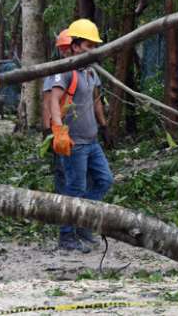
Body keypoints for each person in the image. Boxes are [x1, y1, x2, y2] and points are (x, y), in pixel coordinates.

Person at [49, 19, 112, 253]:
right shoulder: (65, 71)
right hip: (74, 142)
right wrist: (58, 130)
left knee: (104, 180)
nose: (93, 50)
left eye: (95, 46)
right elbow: (54, 100)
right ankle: (66, 235)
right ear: (75, 46)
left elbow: (96, 101)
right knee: (74, 188)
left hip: (92, 141)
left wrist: (104, 126)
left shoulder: (91, 72)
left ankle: (83, 223)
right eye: (89, 45)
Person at [42, 29, 73, 195]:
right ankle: (63, 209)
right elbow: (47, 102)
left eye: (67, 46)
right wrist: (47, 128)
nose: (65, 51)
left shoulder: (85, 70)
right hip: (60, 129)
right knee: (62, 170)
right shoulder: (55, 73)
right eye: (62, 48)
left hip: (80, 129)